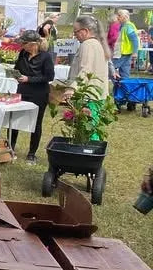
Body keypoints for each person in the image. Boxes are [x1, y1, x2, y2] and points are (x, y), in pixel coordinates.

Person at [9, 30, 55, 164]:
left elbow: (49, 77)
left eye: (24, 44)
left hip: (39, 93)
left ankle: (32, 153)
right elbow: (17, 67)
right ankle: (10, 148)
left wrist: (29, 79)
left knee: (36, 123)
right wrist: (15, 74)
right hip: (22, 90)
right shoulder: (23, 54)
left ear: (33, 44)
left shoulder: (46, 57)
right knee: (14, 120)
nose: (22, 46)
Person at [64, 14, 110, 99]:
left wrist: (72, 88)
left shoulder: (87, 44)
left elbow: (86, 69)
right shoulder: (98, 44)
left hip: (88, 96)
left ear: (85, 31)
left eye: (76, 32)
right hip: (98, 95)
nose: (75, 35)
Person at [111, 9, 139, 80]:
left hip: (123, 53)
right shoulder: (123, 26)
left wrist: (135, 52)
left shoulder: (128, 26)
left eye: (119, 15)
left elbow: (134, 39)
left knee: (111, 68)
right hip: (124, 52)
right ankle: (124, 86)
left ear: (125, 17)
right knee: (125, 72)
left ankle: (118, 84)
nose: (117, 17)